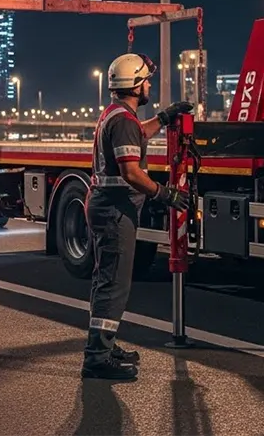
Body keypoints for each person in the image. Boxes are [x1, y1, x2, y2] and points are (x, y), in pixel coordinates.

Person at [81, 52, 193, 381]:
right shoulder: (123, 121)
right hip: (116, 209)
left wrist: (164, 116)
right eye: (146, 81)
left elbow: (138, 134)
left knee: (107, 280)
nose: (149, 86)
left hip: (107, 206)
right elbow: (131, 172)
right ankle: (98, 356)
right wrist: (164, 193)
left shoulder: (116, 115)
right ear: (135, 85)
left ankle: (103, 345)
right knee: (114, 284)